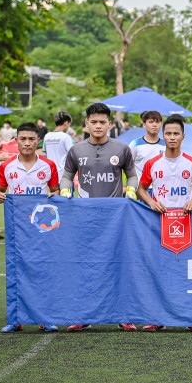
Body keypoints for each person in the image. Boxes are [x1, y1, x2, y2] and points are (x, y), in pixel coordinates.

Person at [60, 102, 141, 332]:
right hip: (85, 219)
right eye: (93, 122)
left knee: (119, 266)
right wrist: (66, 190)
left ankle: (123, 314)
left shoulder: (122, 149)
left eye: (102, 122)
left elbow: (132, 175)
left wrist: (131, 190)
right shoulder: (76, 150)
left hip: (115, 220)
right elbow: (67, 175)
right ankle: (84, 314)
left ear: (109, 124)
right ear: (86, 124)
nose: (97, 126)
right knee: (87, 267)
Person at [137, 114, 192, 333]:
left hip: (185, 224)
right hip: (158, 225)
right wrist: (151, 201)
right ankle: (157, 318)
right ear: (163, 135)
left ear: (183, 136)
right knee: (159, 271)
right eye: (168, 133)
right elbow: (141, 188)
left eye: (175, 134)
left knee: (186, 270)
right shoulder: (152, 164)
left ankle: (191, 317)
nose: (171, 137)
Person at [0, 122, 60, 333]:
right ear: (16, 140)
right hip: (17, 228)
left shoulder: (48, 165)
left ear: (38, 140)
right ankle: (16, 318)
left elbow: (56, 191)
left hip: (42, 229)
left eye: (31, 139)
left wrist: (56, 195)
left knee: (43, 271)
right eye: (23, 139)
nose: (27, 143)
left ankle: (44, 317)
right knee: (16, 272)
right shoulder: (7, 166)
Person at [41, 111, 74, 184]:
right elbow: (73, 155)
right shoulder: (66, 137)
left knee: (53, 195)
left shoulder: (47, 136)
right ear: (66, 123)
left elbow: (45, 154)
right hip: (64, 178)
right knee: (66, 195)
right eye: (69, 124)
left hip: (51, 177)